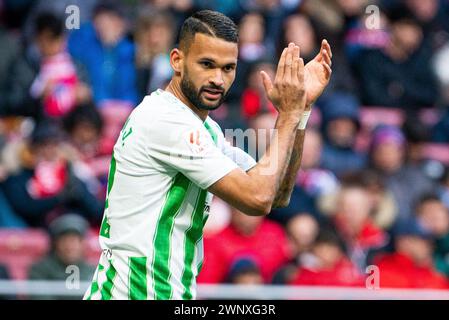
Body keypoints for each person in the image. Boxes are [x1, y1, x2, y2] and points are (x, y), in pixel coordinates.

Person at [83, 10, 332, 300]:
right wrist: (288, 114)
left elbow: (276, 194)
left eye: (228, 68)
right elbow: (258, 198)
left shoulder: (205, 129)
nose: (218, 79)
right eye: (207, 64)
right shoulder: (166, 122)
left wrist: (300, 112)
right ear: (176, 60)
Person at [28, 214, 96, 299]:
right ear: (55, 243)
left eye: (74, 240)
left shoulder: (93, 271)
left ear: (83, 243)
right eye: (65, 240)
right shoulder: (39, 270)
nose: (70, 246)